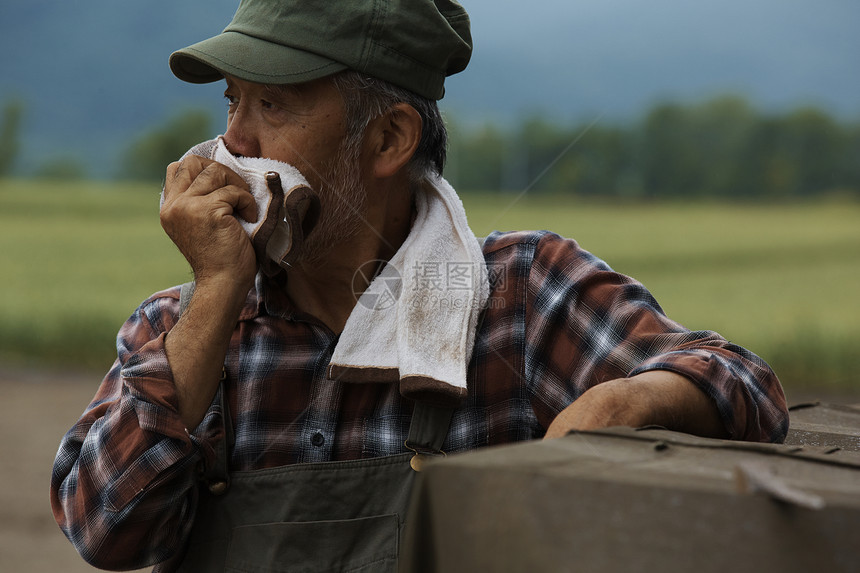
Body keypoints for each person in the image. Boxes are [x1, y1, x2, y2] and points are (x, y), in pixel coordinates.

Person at [51, 1, 789, 571]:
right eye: (232, 101)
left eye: (272, 105)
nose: (232, 144)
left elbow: (744, 383)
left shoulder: (522, 297)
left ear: (388, 140)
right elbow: (104, 528)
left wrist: (628, 399)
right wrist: (215, 290)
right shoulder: (180, 326)